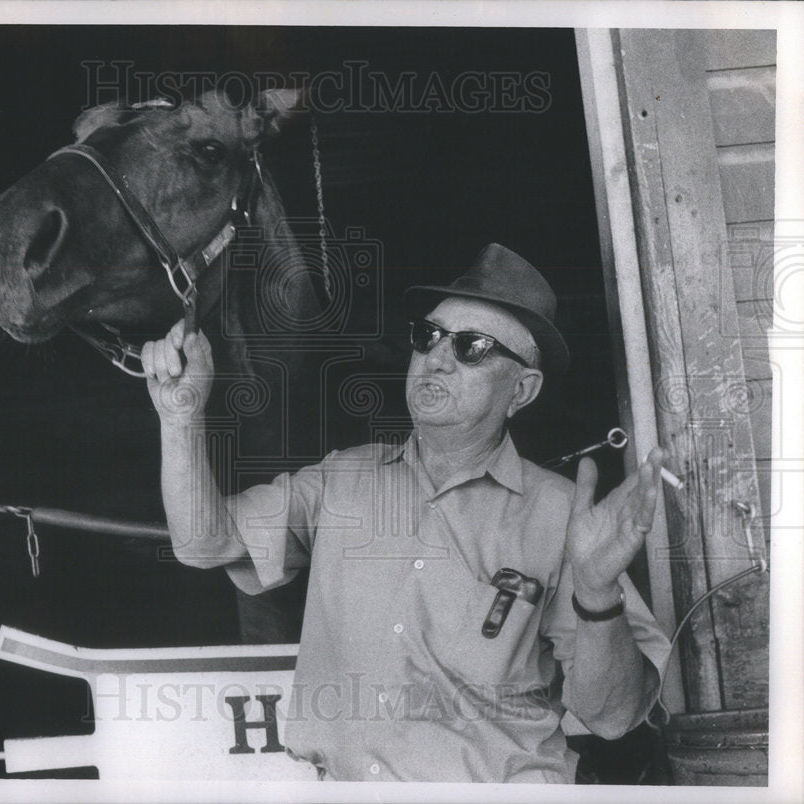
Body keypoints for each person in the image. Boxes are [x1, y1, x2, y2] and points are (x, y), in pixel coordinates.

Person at [141, 243, 671, 782]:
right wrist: (180, 416)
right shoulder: (340, 481)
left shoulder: (561, 517)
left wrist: (598, 594)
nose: (438, 357)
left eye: (473, 347)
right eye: (428, 336)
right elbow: (202, 542)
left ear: (522, 390)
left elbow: (613, 717)